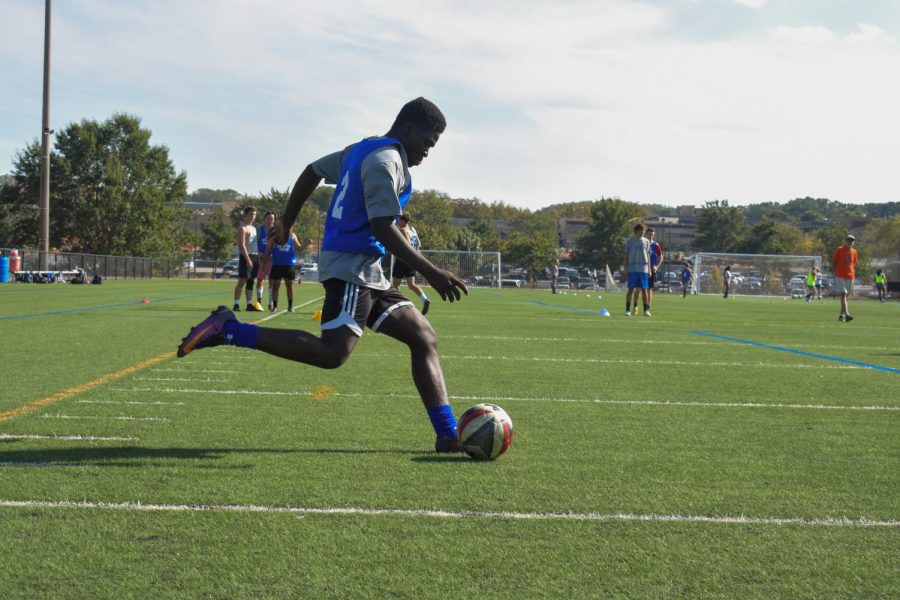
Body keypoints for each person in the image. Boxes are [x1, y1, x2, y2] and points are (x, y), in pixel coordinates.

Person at [177, 97, 469, 453]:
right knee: (332, 353)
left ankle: (448, 434)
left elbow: (312, 170)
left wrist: (287, 220)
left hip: (368, 270)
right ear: (409, 129)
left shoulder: (362, 150)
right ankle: (229, 328)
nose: (427, 151)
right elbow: (382, 226)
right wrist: (432, 272)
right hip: (351, 267)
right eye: (427, 142)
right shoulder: (386, 161)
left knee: (423, 337)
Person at [390, 212, 431, 315]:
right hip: (412, 260)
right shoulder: (413, 230)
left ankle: (402, 304)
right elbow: (419, 244)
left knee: (395, 285)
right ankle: (425, 299)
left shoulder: (403, 230)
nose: (398, 222)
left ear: (403, 221)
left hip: (403, 260)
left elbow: (406, 244)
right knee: (411, 284)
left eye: (399, 220)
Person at [266, 221, 306, 312]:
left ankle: (290, 306)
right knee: (275, 286)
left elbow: (299, 248)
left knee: (289, 285)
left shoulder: (292, 236)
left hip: (289, 264)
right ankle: (275, 306)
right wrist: (265, 259)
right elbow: (268, 248)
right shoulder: (274, 236)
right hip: (277, 264)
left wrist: (306, 244)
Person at [233, 206, 264, 312]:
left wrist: (258, 255)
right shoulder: (243, 228)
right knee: (242, 280)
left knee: (251, 281)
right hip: (246, 256)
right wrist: (248, 259)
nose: (253, 217)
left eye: (254, 215)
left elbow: (254, 244)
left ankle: (249, 304)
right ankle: (236, 304)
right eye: (251, 214)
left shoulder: (254, 228)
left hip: (255, 256)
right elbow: (241, 245)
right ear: (245, 215)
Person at [624, 223, 651, 317]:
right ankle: (627, 309)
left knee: (644, 289)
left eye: (644, 230)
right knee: (631, 289)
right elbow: (626, 256)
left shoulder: (647, 241)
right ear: (636, 231)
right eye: (641, 230)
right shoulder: (630, 241)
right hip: (632, 268)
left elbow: (648, 255)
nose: (643, 232)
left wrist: (649, 269)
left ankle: (646, 310)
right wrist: (625, 268)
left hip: (643, 268)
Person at [832, 235, 858, 322]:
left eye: (852, 240)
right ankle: (847, 314)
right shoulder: (839, 249)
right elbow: (835, 261)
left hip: (850, 275)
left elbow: (853, 263)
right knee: (843, 294)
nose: (850, 242)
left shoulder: (854, 251)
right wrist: (835, 272)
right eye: (849, 240)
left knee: (846, 297)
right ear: (845, 241)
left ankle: (841, 315)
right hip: (840, 275)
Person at [256, 211, 276, 310]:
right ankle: (259, 302)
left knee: (271, 281)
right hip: (261, 258)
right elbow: (255, 242)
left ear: (274, 220)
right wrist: (258, 253)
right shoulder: (259, 229)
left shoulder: (276, 231)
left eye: (271, 219)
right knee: (260, 279)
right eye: (268, 218)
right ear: (265, 219)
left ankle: (270, 303)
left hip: (272, 259)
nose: (269, 221)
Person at [646, 228, 662, 306]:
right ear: (646, 234)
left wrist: (656, 266)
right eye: (649, 234)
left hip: (652, 269)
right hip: (642, 268)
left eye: (652, 234)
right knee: (639, 289)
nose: (650, 236)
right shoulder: (643, 243)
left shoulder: (656, 245)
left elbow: (661, 257)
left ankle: (647, 307)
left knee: (649, 289)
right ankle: (636, 306)